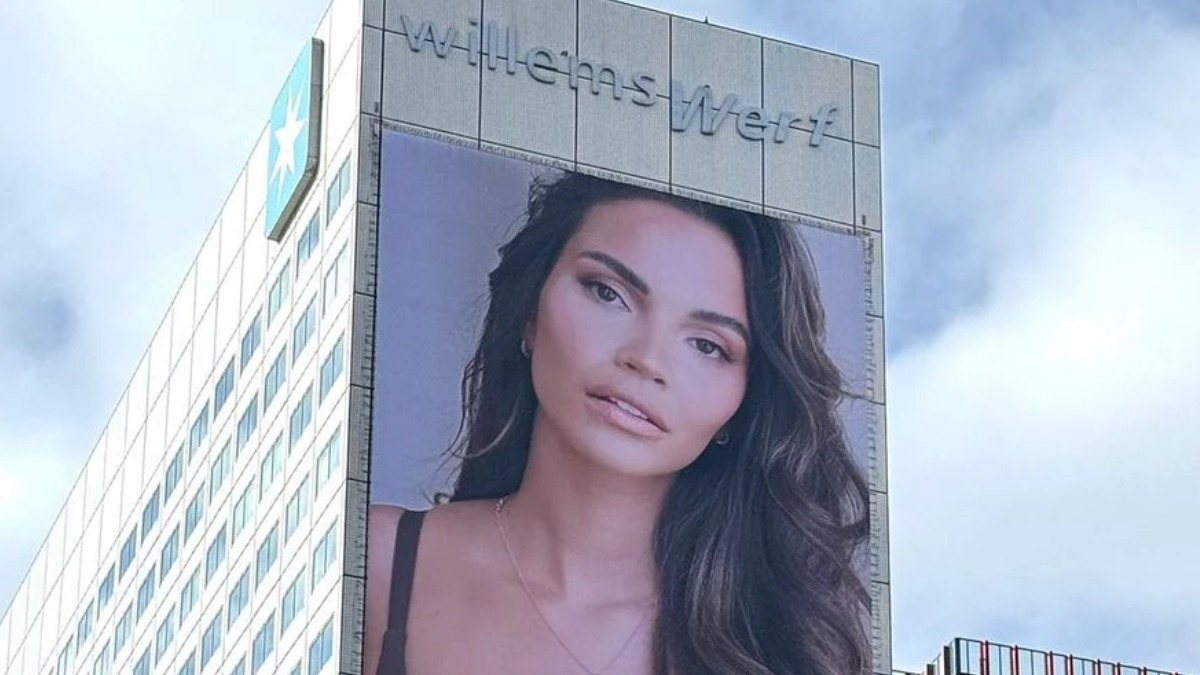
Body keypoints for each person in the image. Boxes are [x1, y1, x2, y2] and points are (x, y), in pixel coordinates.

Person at [364, 171, 871, 675]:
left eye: (707, 345)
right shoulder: (380, 562)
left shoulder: (776, 645)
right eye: (609, 293)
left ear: (744, 404)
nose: (646, 359)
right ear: (529, 312)